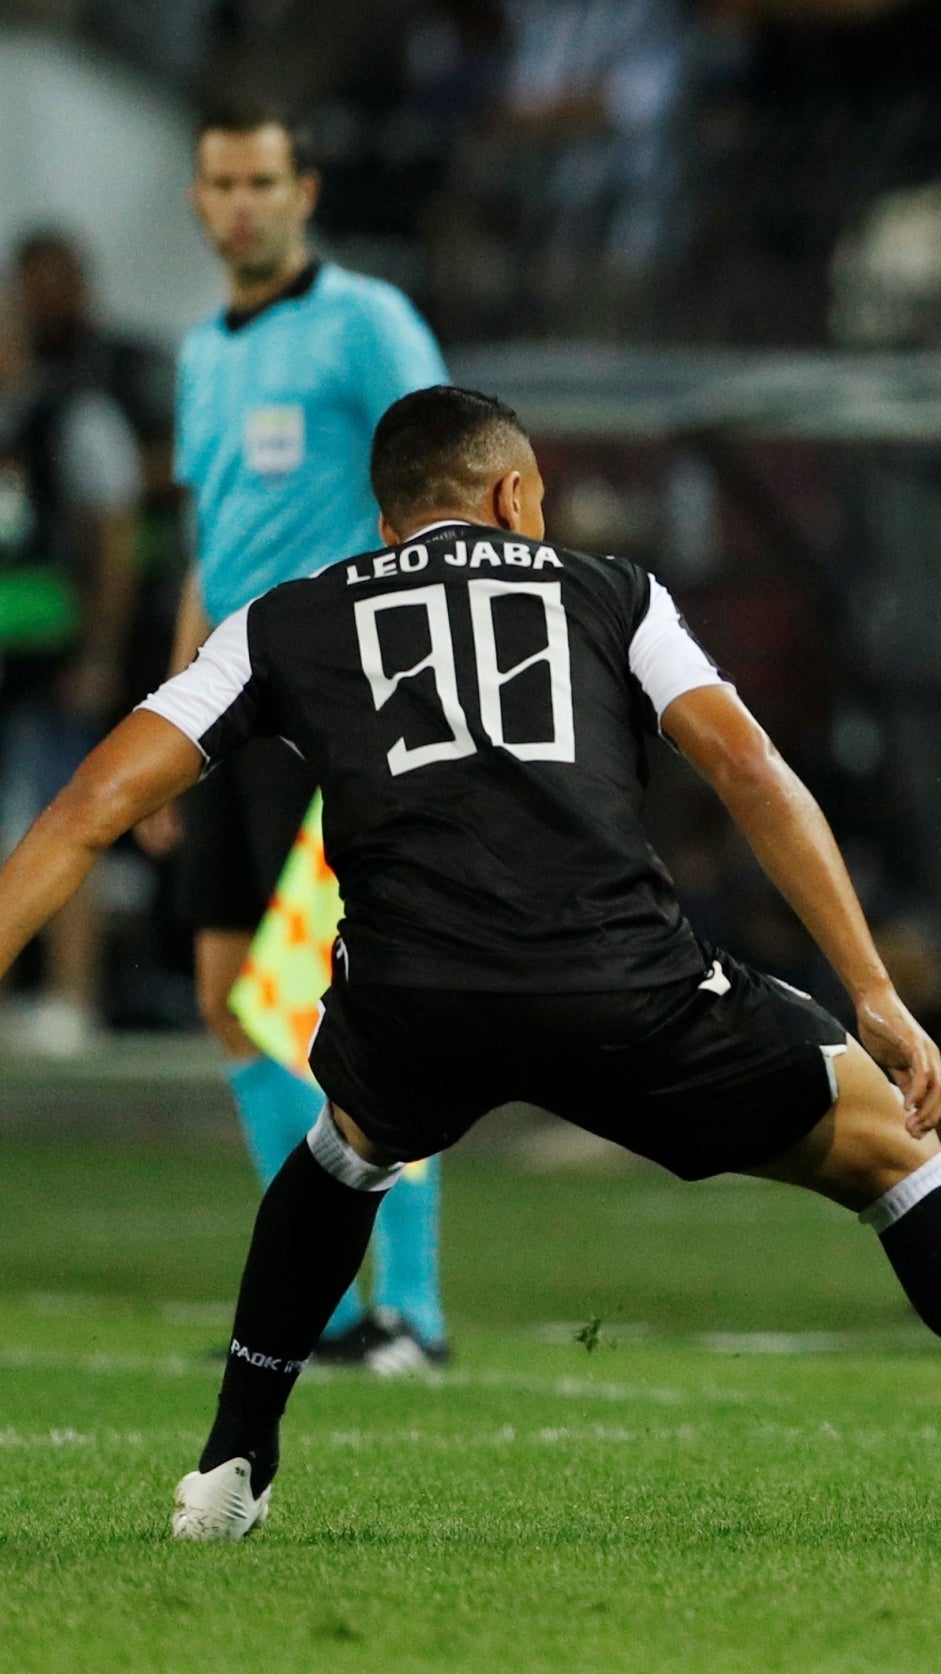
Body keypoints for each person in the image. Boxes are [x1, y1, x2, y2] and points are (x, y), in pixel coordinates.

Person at [0, 385, 941, 1552]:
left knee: (350, 1146)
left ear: (386, 524)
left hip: (416, 1002)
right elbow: (748, 768)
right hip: (624, 985)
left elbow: (90, 806)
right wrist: (871, 987)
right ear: (513, 498)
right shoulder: (611, 592)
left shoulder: (288, 616)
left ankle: (228, 1472)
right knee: (894, 1156)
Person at [154, 99, 450, 1368]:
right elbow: (206, 545)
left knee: (367, 1005)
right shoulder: (198, 356)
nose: (242, 205)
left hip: (341, 696)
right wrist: (170, 723)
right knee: (230, 997)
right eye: (221, 183)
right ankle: (326, 1301)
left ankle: (414, 1310)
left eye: (263, 181)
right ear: (198, 197)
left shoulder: (367, 322)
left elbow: (449, 481)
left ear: (305, 190)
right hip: (228, 698)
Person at [0, 240, 144, 1053]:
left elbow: (117, 529)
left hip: (46, 649)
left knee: (62, 815)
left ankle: (69, 991)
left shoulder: (71, 413)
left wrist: (98, 650)